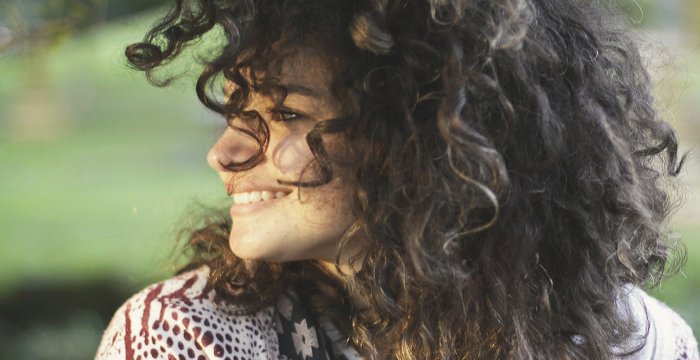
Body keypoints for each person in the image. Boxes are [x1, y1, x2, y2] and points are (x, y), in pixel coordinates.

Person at [95, 0, 699, 359]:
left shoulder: (641, 343)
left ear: (429, 139)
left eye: (285, 115)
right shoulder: (185, 339)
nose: (223, 154)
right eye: (233, 113)